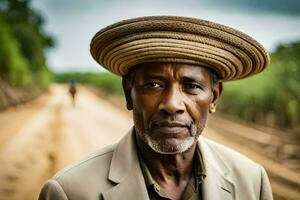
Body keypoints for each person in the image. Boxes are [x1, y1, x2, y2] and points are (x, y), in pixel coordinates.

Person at [39, 16, 273, 200]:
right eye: (153, 84)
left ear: (214, 97)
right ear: (128, 92)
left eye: (191, 86)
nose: (171, 104)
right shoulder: (69, 192)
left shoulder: (252, 181)